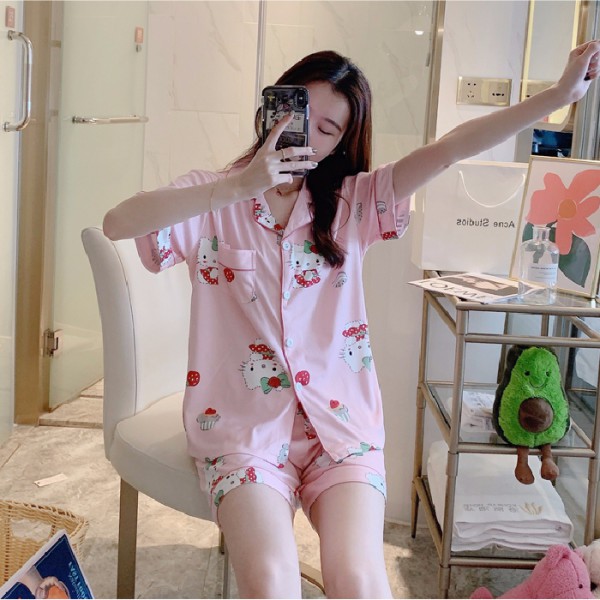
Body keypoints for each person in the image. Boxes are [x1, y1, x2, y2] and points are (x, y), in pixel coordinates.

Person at [103, 41, 600, 598]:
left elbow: (451, 148)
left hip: (341, 429)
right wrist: (239, 187)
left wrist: (557, 97)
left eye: (327, 129)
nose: (304, 135)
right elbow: (118, 223)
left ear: (341, 143)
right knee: (271, 583)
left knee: (359, 580)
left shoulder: (355, 203)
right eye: (299, 113)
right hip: (243, 431)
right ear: (272, 106)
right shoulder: (211, 198)